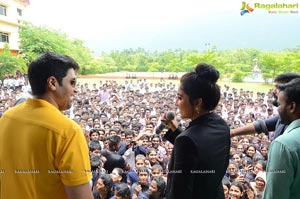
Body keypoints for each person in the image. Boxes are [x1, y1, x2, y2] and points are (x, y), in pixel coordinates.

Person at [0, 52, 93, 199]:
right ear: (52, 83)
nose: (76, 89)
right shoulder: (68, 131)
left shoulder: (6, 118)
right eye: (72, 82)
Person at [163, 63, 230, 199]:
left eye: (180, 97)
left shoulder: (186, 140)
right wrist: (176, 131)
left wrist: (181, 137)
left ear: (198, 102)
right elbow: (200, 149)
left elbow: (180, 194)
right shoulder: (221, 125)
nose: (176, 103)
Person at [230, 73, 300, 139]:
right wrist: (232, 133)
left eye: (278, 88)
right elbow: (261, 125)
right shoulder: (285, 116)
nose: (273, 91)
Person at [263, 78, 300, 199]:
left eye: (279, 104)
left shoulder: (283, 145)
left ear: (292, 107)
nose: (277, 109)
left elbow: (275, 195)